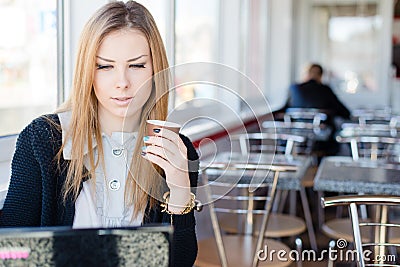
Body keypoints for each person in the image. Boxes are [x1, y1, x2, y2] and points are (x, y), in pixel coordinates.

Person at [0, 1, 198, 266]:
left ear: (155, 70)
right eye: (105, 66)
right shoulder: (42, 140)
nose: (122, 82)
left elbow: (179, 262)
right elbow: (11, 248)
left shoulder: (176, 149)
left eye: (137, 66)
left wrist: (180, 191)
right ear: (87, 72)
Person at [285, 63, 351, 155]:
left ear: (306, 74)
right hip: (321, 137)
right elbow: (344, 112)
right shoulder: (325, 90)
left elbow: (286, 109)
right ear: (321, 76)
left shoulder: (294, 89)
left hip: (296, 135)